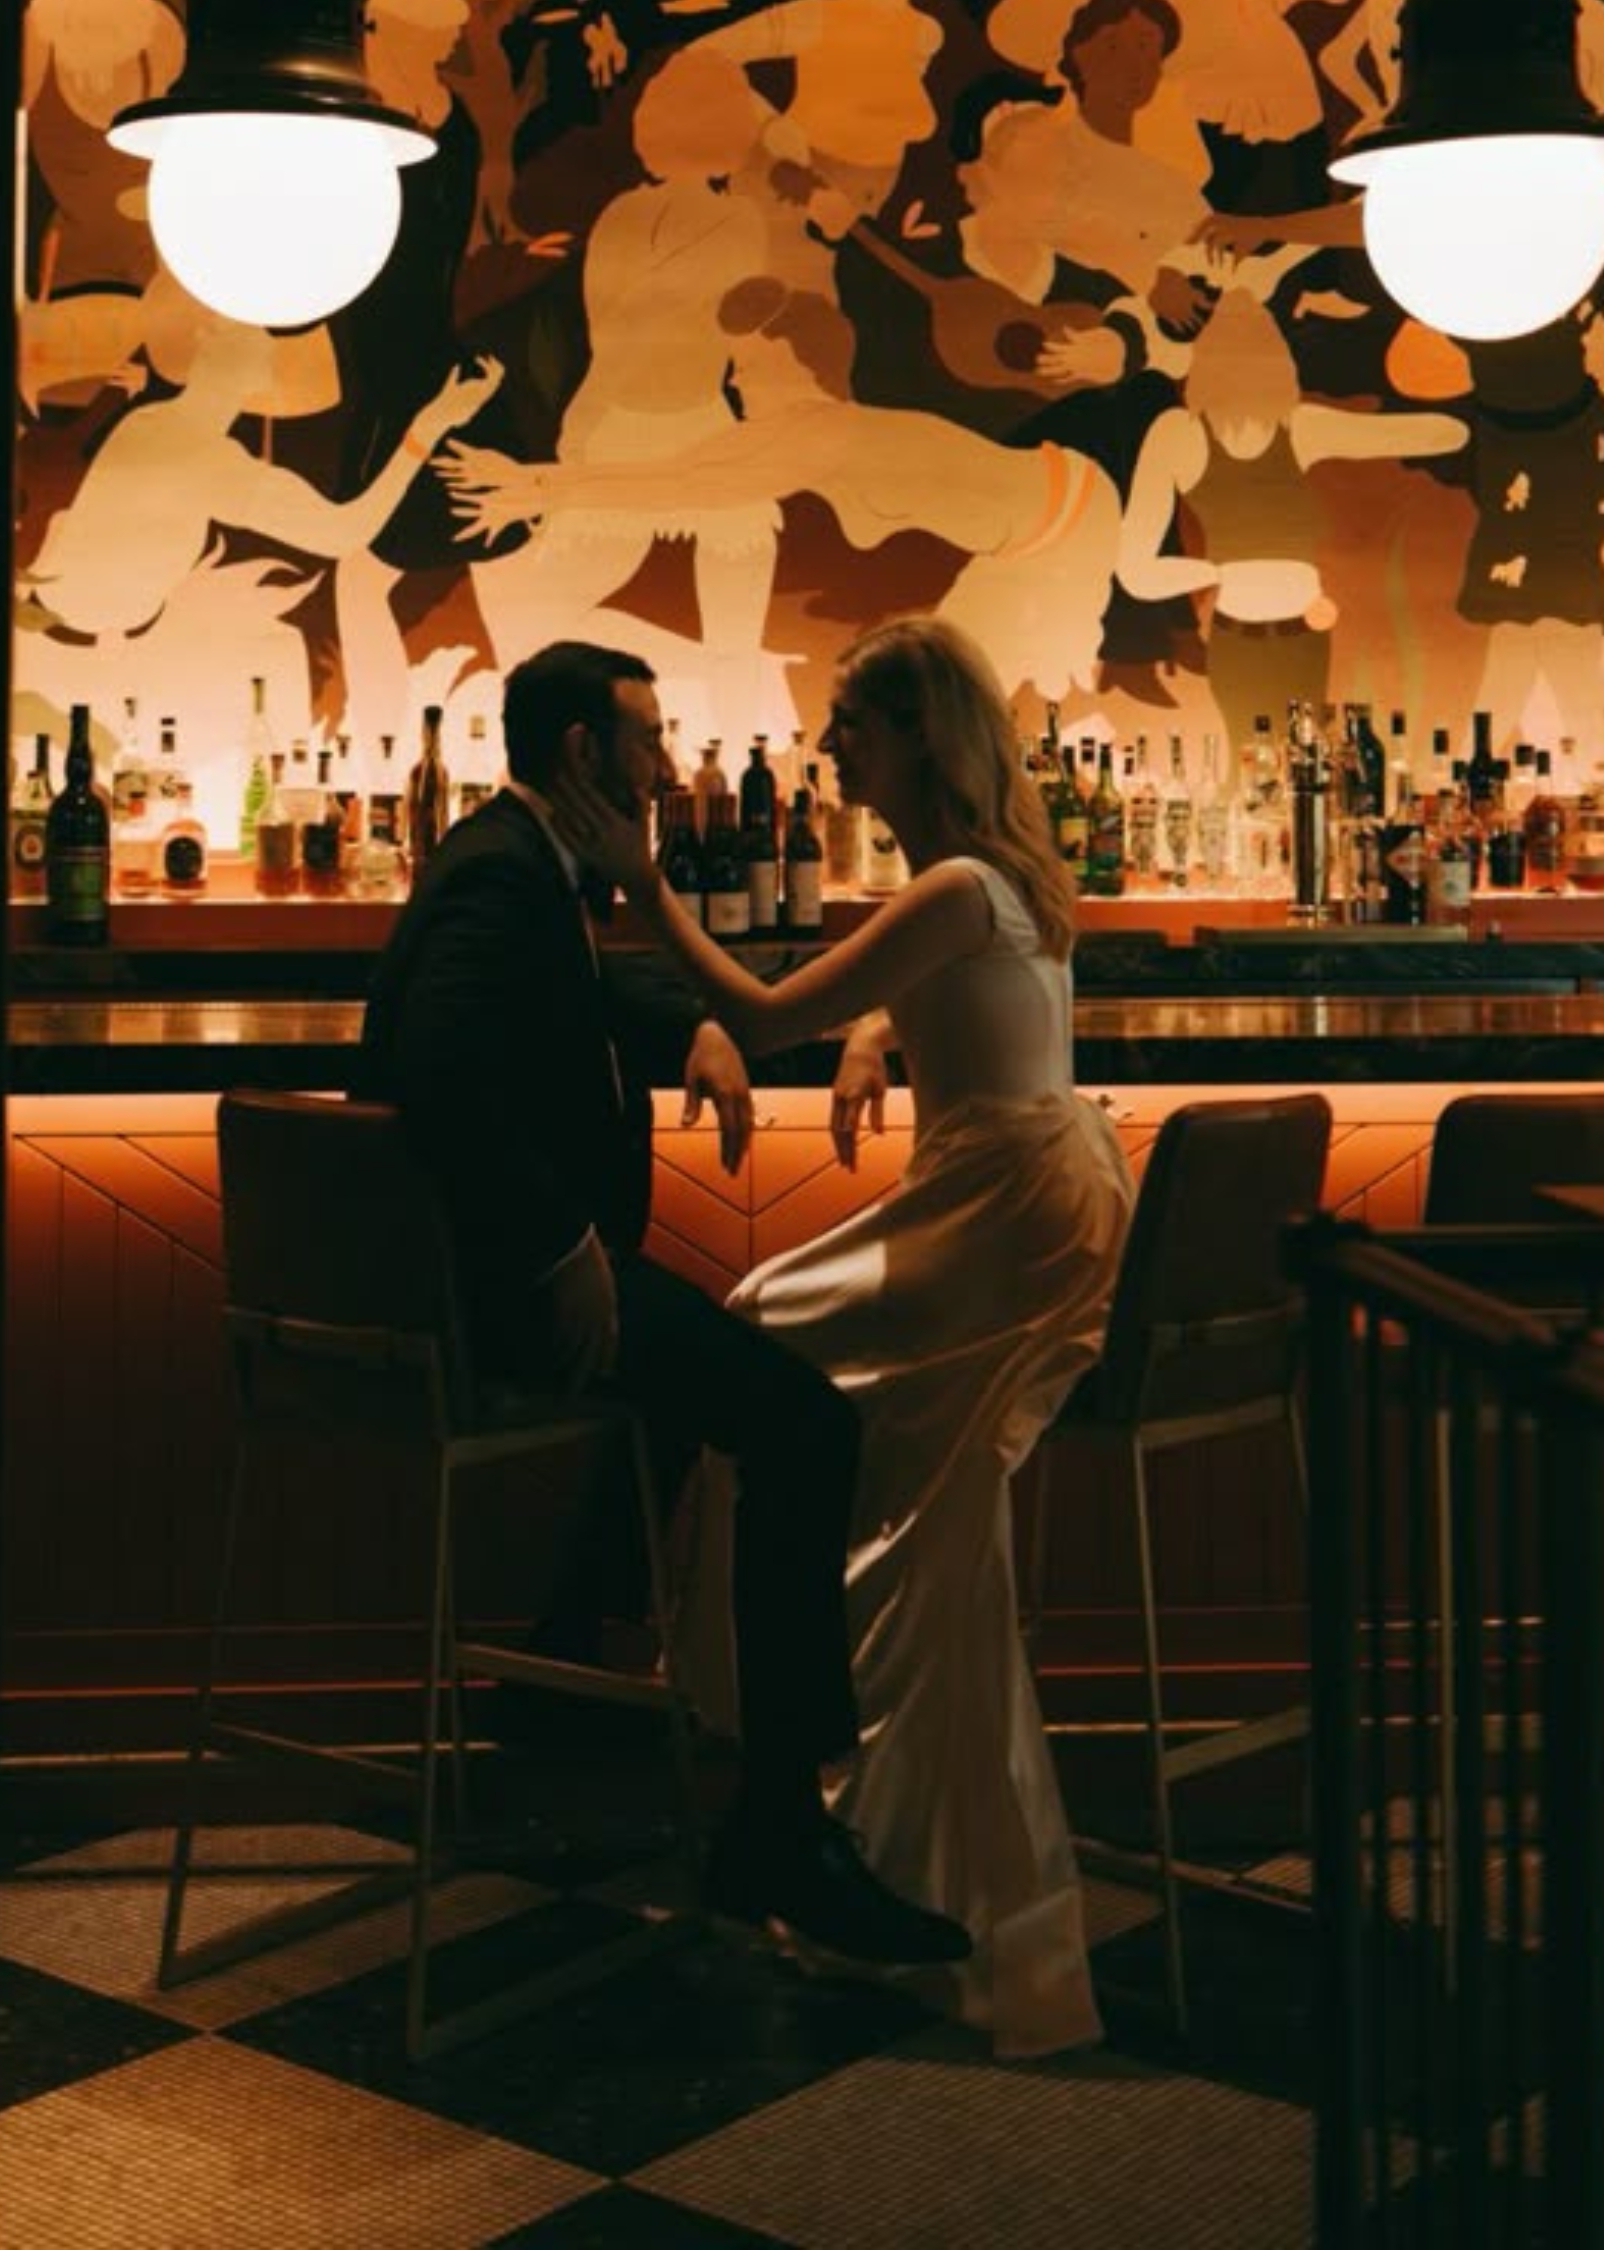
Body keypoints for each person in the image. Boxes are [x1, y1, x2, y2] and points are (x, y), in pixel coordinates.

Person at [546, 616, 1136, 2058]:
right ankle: (812, 1787)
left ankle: (690, 1685)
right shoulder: (994, 877)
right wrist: (889, 1032)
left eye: (849, 730)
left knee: (754, 1334)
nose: (826, 752)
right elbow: (977, 995)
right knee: (910, 1508)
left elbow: (756, 1010)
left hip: (994, 1207)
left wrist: (639, 886)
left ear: (915, 739)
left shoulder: (946, 881)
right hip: (1037, 1184)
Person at [355, 639, 971, 1970]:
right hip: (507, 1297)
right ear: (582, 753)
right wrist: (558, 1244)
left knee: (708, 1378)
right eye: (646, 740)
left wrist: (670, 1021)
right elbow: (434, 1061)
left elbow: (550, 1004)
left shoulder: (506, 866)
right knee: (805, 1424)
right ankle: (780, 1833)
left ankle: (564, 1666)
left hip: (465, 1289)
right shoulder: (500, 880)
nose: (669, 766)